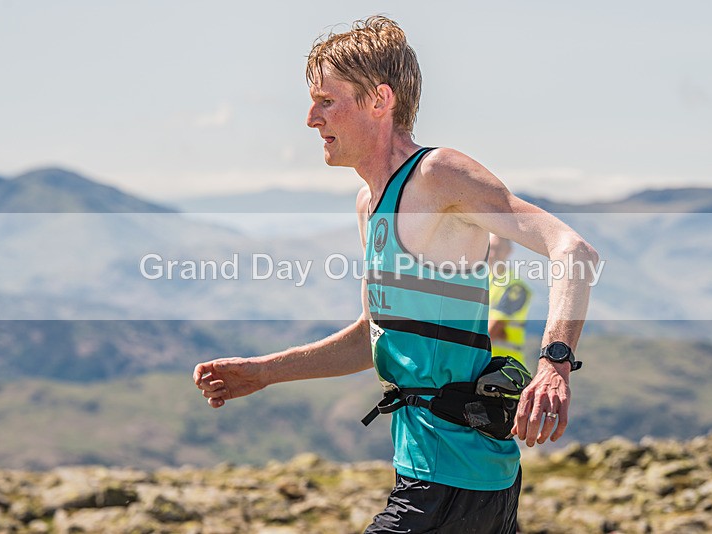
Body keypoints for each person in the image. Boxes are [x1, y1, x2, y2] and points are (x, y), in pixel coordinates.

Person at [194, 16, 598, 533]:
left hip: (455, 477)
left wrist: (554, 365)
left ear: (379, 101)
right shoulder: (370, 204)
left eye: (326, 100)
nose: (311, 119)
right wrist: (265, 373)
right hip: (438, 472)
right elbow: (373, 337)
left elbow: (573, 250)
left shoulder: (437, 176)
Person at [488, 235, 533, 367]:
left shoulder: (515, 288)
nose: (492, 254)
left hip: (505, 369)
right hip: (484, 364)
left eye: (498, 248)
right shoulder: (482, 281)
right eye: (489, 248)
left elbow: (492, 330)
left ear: (509, 250)